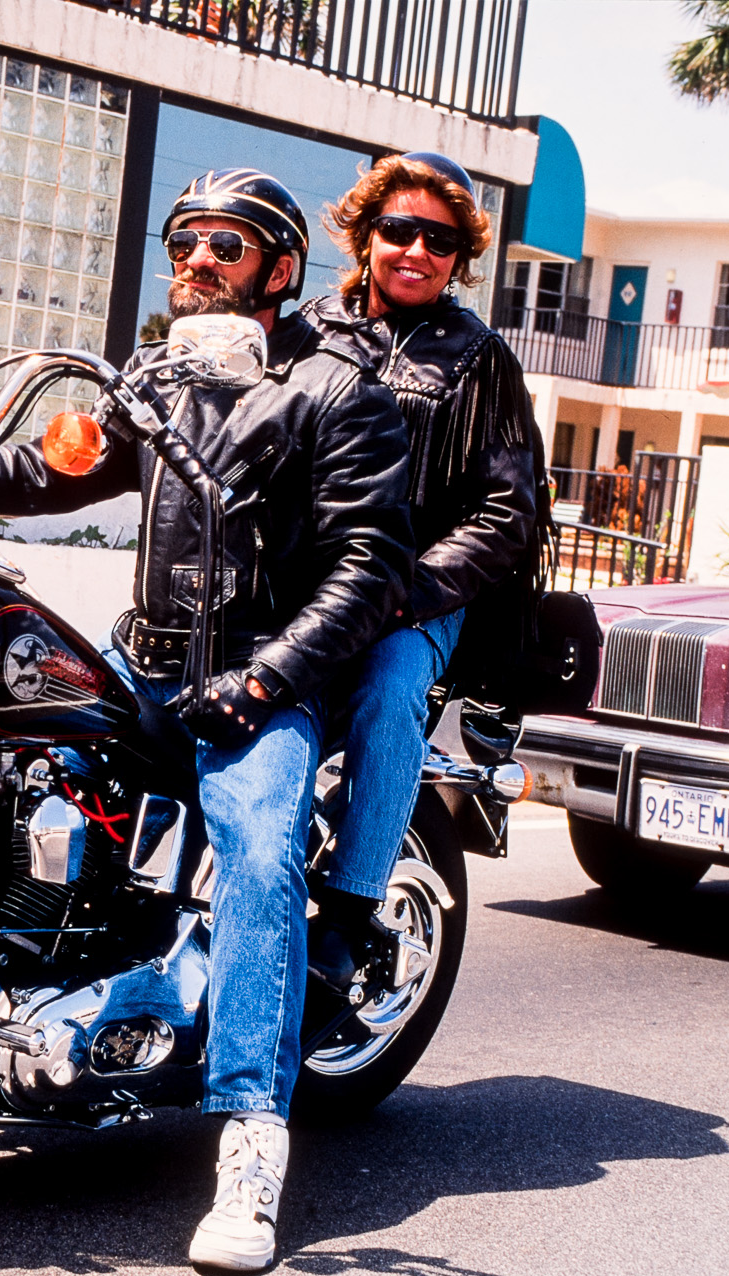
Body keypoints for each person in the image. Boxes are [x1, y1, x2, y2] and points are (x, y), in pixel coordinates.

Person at [0, 169, 413, 1272]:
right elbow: (58, 468)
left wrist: (264, 683)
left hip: (257, 680)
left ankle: (251, 1136)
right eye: (184, 242)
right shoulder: (156, 378)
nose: (196, 261)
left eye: (227, 246)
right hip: (141, 658)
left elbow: (365, 568)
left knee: (259, 859)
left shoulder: (336, 390)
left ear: (281, 269)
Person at [296, 152, 541, 980]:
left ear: (459, 258)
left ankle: (354, 908)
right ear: (366, 235)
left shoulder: (479, 358)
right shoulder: (307, 333)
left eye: (439, 240)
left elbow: (509, 511)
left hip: (415, 595)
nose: (416, 251)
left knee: (390, 682)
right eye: (399, 230)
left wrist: (411, 589)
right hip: (307, 579)